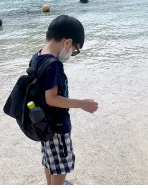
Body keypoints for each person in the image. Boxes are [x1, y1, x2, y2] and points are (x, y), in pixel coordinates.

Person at [31, 15, 98, 185]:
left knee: (49, 159)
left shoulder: (37, 57)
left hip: (42, 122)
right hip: (57, 125)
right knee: (62, 165)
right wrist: (82, 104)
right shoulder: (54, 65)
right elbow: (51, 98)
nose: (71, 53)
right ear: (68, 42)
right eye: (75, 50)